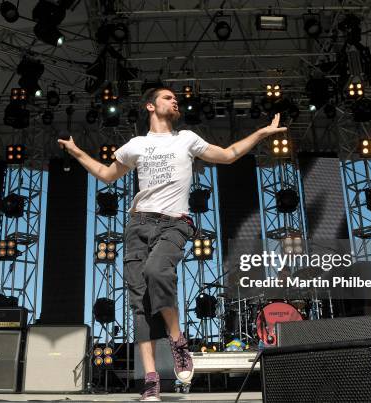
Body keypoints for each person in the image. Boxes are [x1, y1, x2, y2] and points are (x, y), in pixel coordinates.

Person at [58, 87, 287, 401]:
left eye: (175, 98)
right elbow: (107, 174)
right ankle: (151, 379)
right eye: (167, 97)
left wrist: (261, 133)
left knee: (157, 272)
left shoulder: (187, 139)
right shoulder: (136, 145)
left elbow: (229, 154)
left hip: (175, 222)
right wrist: (77, 152)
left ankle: (178, 341)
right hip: (138, 224)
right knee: (139, 304)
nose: (174, 100)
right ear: (150, 105)